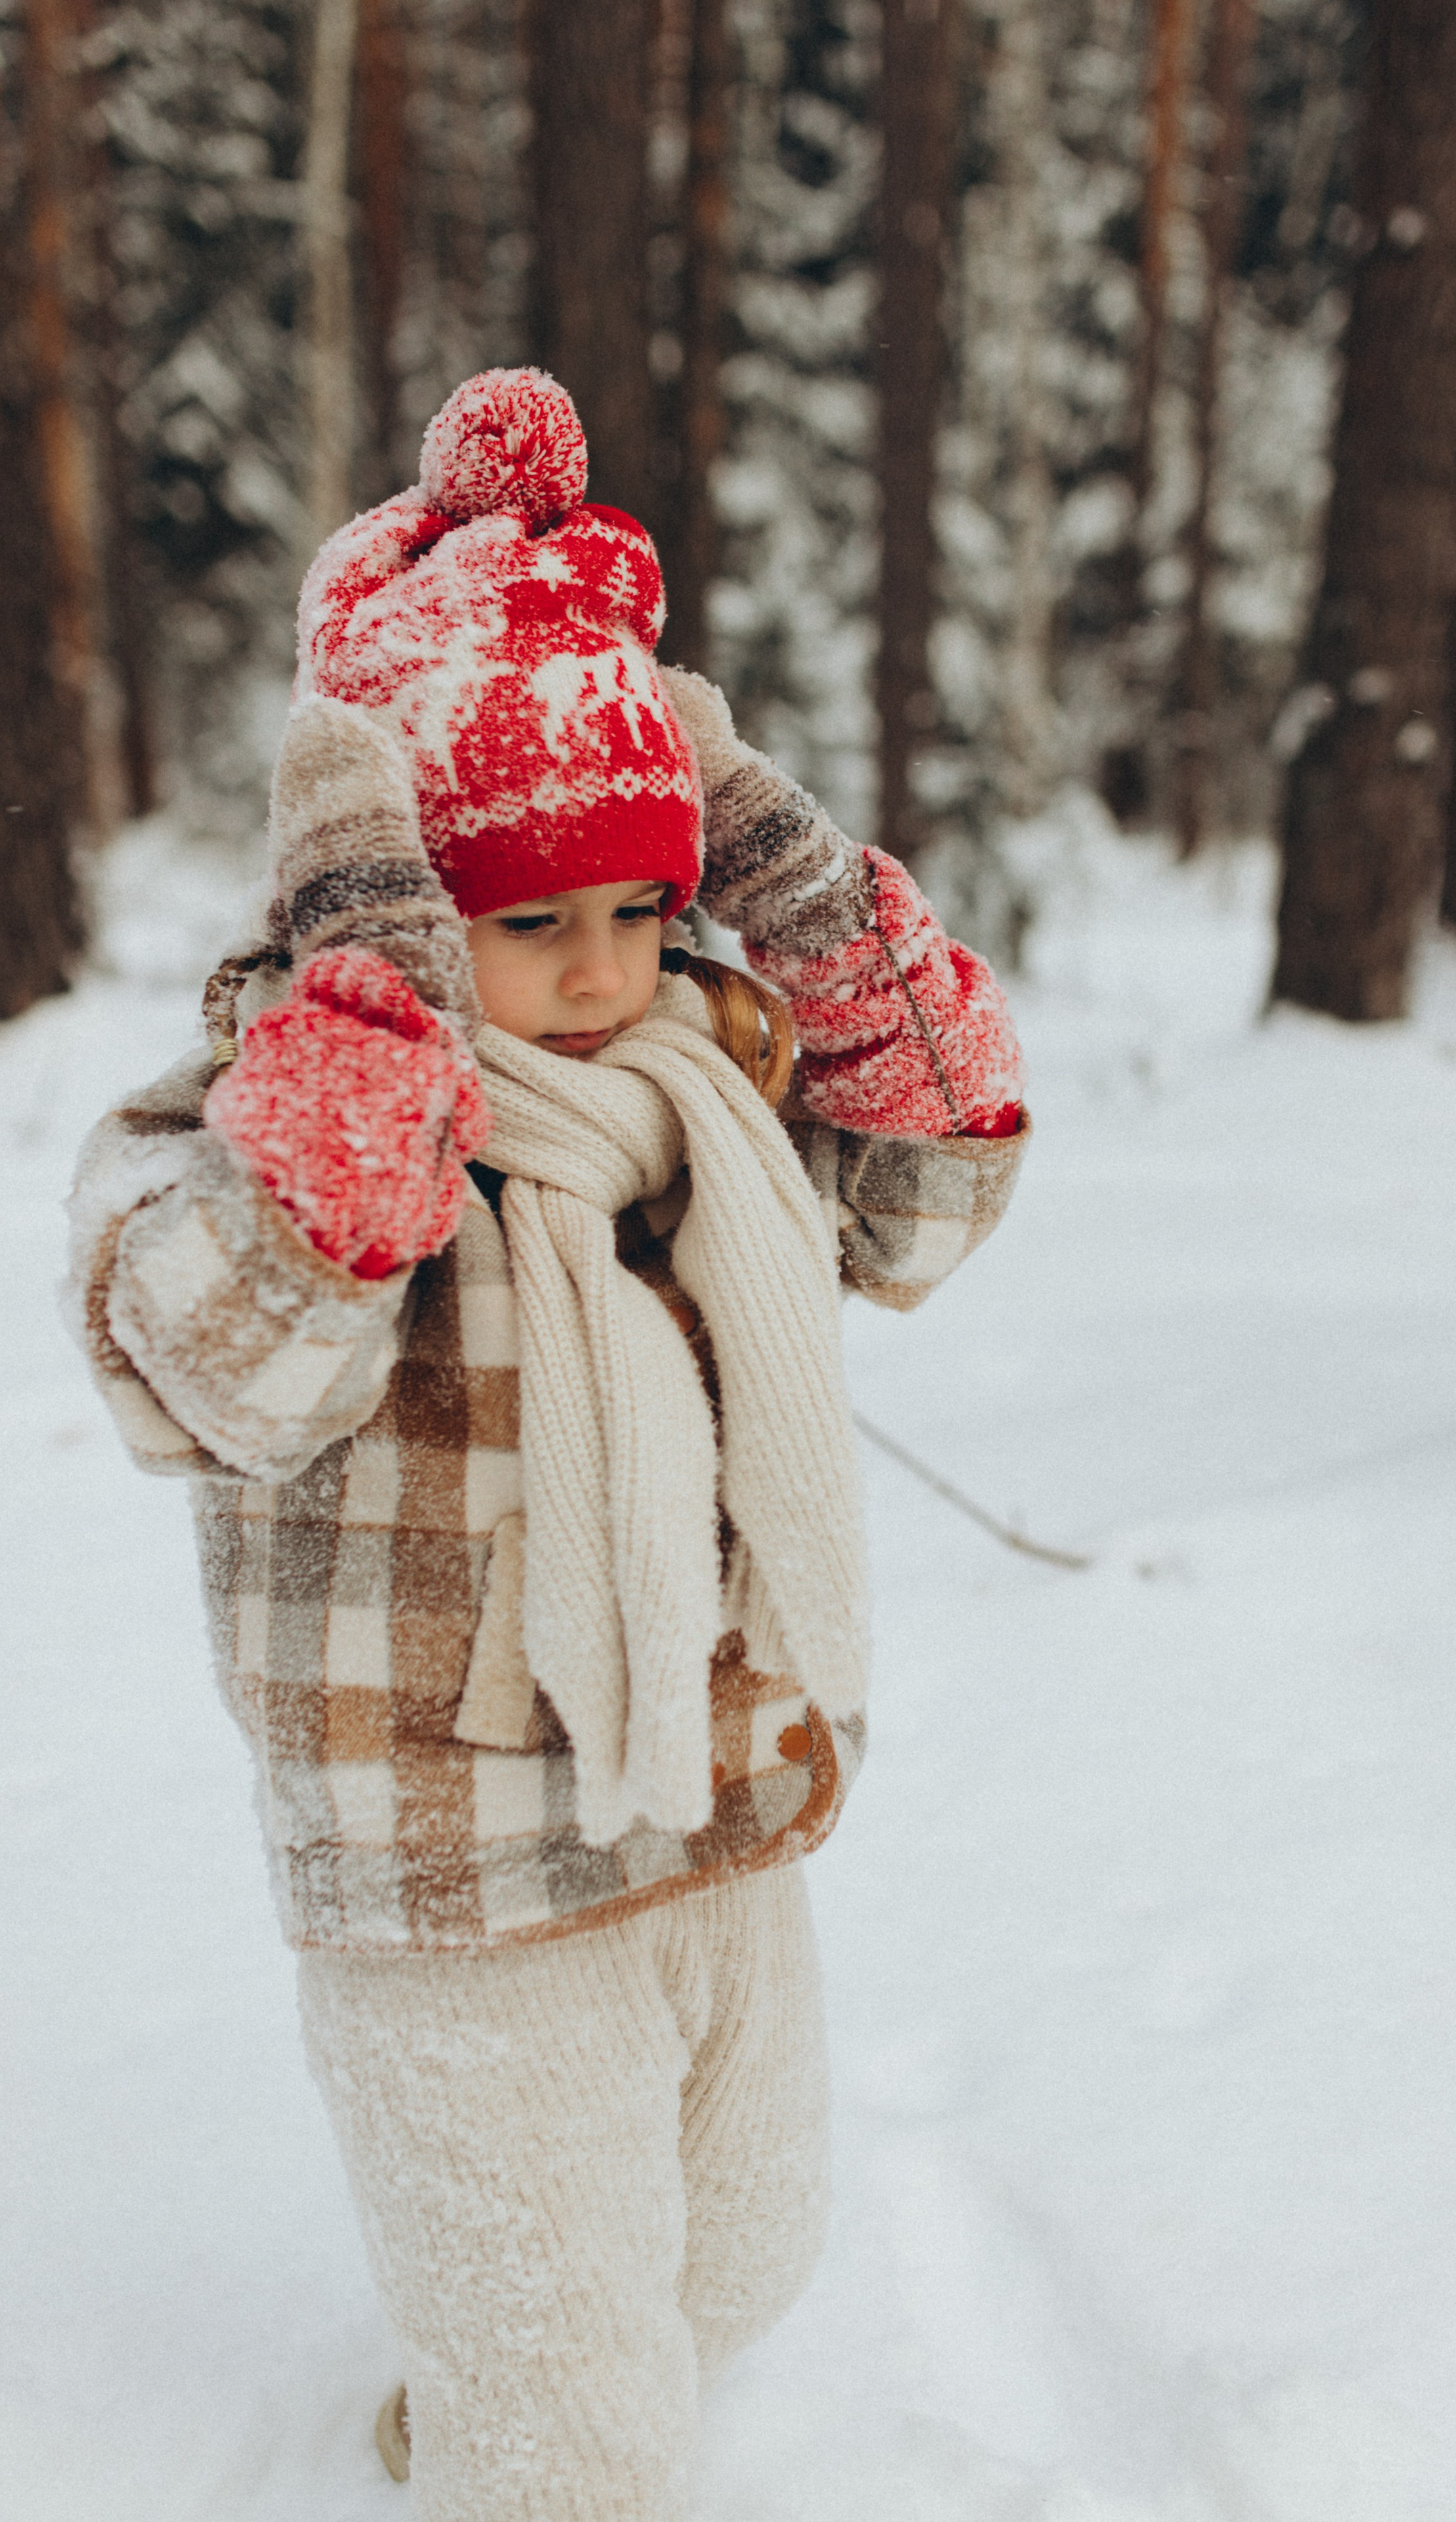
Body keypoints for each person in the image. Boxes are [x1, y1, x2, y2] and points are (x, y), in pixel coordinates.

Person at [68, 367, 1028, 2521]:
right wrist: (359, 1102)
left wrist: (797, 897)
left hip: (709, 1807)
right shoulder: (241, 1132)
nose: (600, 975)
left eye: (634, 910)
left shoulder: (704, 1098)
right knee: (578, 2424)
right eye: (528, 921)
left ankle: (503, 2402)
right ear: (399, 894)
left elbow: (931, 1198)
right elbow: (216, 1366)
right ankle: (514, 2441)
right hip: (451, 1866)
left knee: (743, 2259)